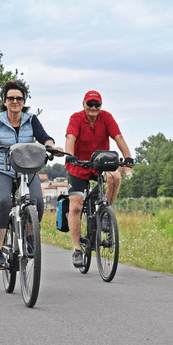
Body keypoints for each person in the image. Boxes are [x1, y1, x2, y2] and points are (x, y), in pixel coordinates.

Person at [0, 80, 62, 269]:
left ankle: (30, 238)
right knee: (3, 201)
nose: (15, 101)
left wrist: (51, 146)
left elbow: (43, 137)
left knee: (38, 202)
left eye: (19, 98)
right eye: (11, 98)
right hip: (1, 169)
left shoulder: (31, 120)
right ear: (5, 101)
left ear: (24, 101)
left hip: (27, 168)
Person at [65, 90, 133, 268]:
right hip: (79, 165)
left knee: (115, 176)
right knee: (76, 205)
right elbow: (70, 137)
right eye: (90, 104)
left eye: (97, 104)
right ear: (84, 104)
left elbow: (118, 137)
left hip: (100, 163)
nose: (93, 108)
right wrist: (70, 156)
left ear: (101, 105)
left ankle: (104, 213)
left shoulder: (106, 117)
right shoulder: (76, 118)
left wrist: (128, 158)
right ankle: (77, 249)